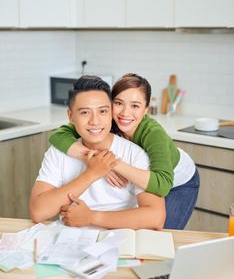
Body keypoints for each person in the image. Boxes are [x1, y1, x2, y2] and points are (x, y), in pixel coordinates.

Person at [49, 73, 200, 230]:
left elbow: (162, 185)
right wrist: (92, 159)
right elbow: (57, 135)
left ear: (146, 109)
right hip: (150, 178)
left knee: (162, 236)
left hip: (179, 182)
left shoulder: (154, 134)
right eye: (119, 103)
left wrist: (111, 164)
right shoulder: (107, 120)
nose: (125, 113)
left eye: (135, 106)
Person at [30, 75, 165, 230]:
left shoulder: (135, 154)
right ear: (70, 116)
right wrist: (92, 173)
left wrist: (91, 217)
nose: (95, 121)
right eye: (85, 112)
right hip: (70, 241)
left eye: (102, 111)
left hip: (120, 241)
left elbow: (156, 217)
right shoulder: (58, 152)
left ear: (111, 113)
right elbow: (38, 212)